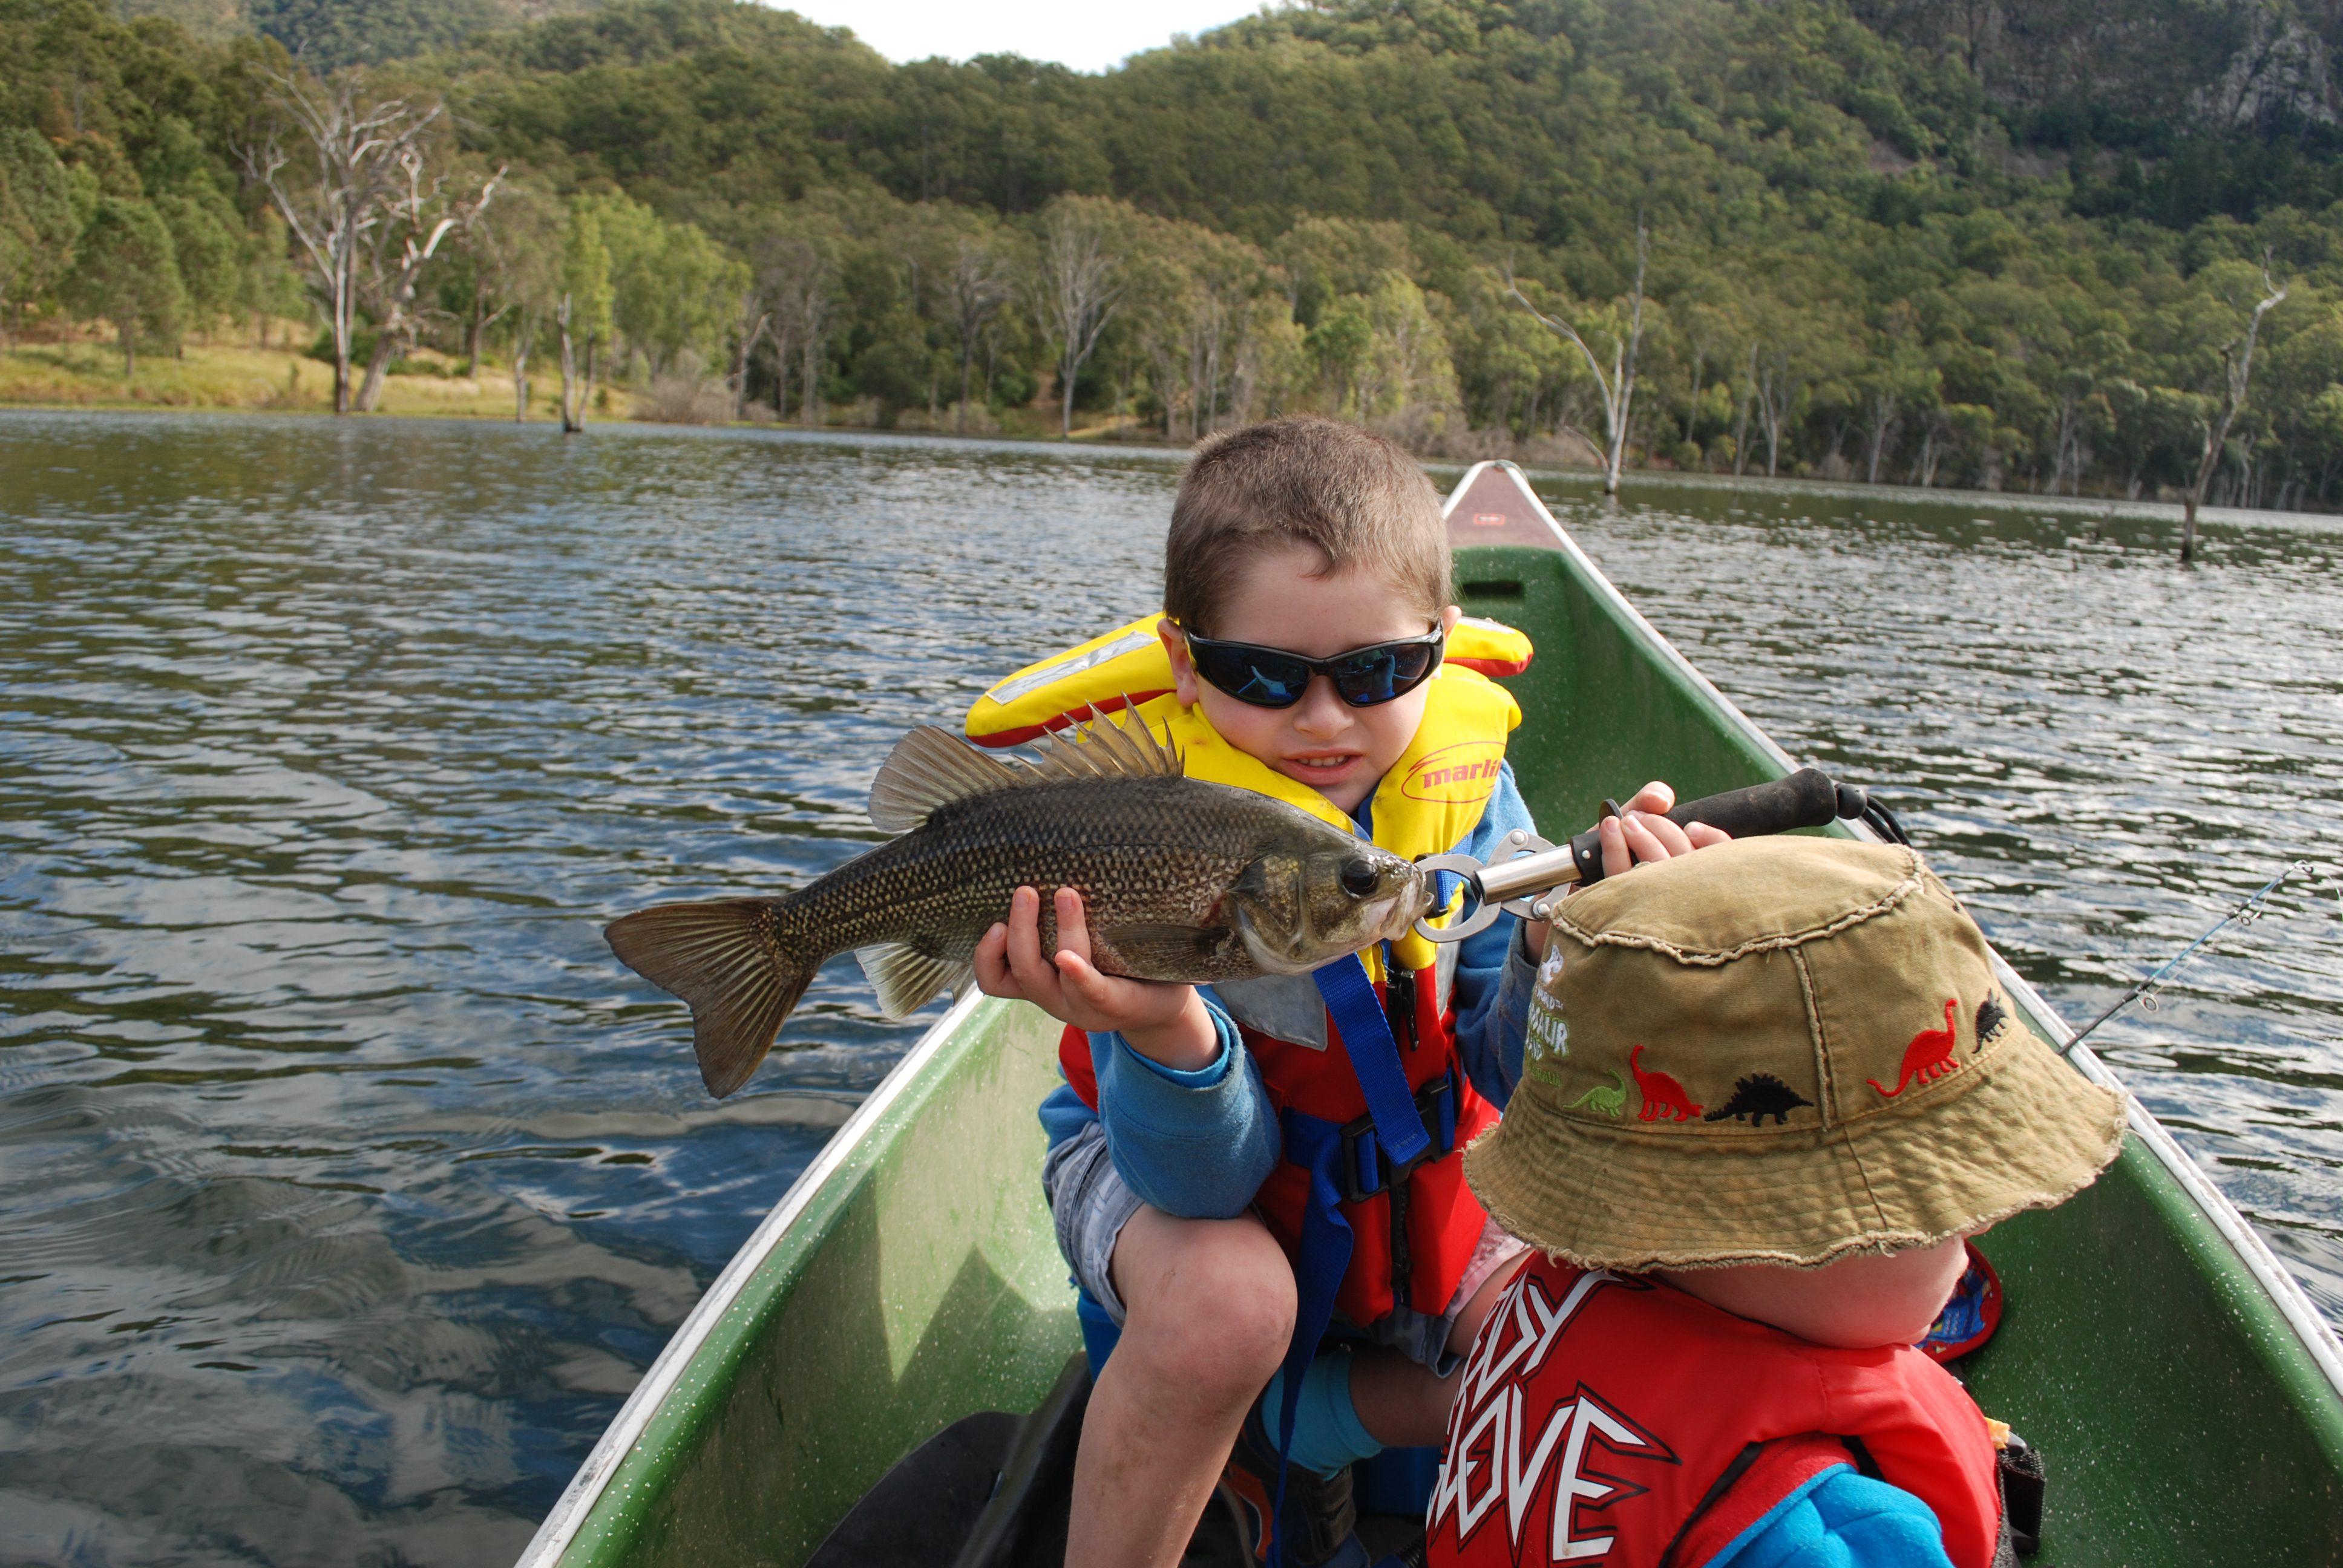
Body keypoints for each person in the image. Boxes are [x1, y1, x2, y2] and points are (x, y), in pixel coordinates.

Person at [965, 416, 1726, 1567]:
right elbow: (1204, 1183)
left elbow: (1499, 1070)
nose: (1323, 720)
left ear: (1439, 647)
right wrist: (1167, 1025)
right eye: (1260, 676)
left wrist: (1566, 952)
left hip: (1417, 1201)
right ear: (1183, 660)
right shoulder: (1151, 823)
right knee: (1232, 1298)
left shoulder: (1471, 802)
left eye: (1377, 672)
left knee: (1598, 1308)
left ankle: (1340, 1443)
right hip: (1169, 1180)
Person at [1428, 835, 2129, 1568]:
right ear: (1780, 1229)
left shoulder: (1546, 1304)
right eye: (1930, 1207)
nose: (1981, 1222)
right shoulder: (1823, 1535)